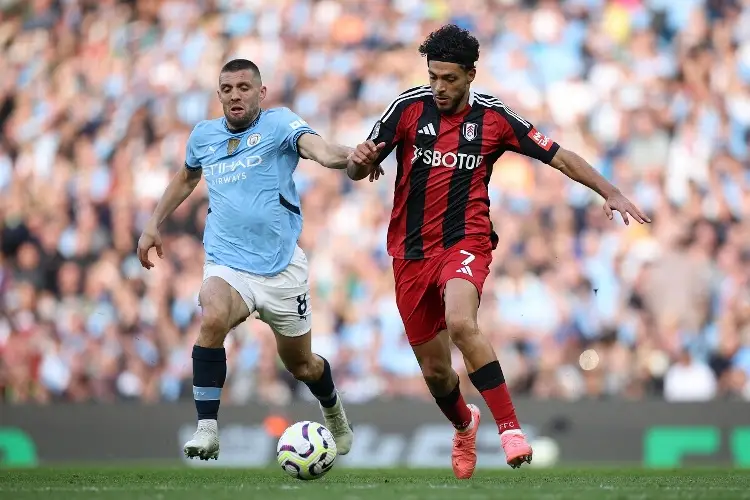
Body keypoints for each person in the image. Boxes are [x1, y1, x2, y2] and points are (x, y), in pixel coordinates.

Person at [347, 25, 651, 479]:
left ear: (470, 74)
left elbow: (560, 156)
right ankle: (465, 423)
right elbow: (359, 166)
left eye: (449, 78)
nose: (440, 87)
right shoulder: (408, 107)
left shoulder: (494, 119)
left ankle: (509, 429)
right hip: (409, 252)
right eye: (433, 76)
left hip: (465, 241)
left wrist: (609, 192)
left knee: (461, 321)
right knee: (435, 373)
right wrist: (360, 160)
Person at [137, 58, 359, 461]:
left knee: (302, 365)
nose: (235, 95)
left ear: (261, 92)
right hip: (227, 262)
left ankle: (336, 417)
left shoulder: (279, 125)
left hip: (280, 268)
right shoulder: (203, 136)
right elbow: (187, 177)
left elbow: (322, 151)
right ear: (219, 94)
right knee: (213, 315)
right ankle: (207, 429)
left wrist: (351, 158)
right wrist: (154, 221)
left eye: (243, 87)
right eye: (227, 88)